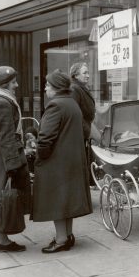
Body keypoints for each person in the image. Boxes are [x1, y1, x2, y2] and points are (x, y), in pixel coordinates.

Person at [32, 70, 93, 253]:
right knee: (67, 200)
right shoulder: (72, 103)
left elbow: (45, 138)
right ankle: (68, 235)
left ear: (57, 88)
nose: (44, 89)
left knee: (57, 200)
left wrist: (41, 156)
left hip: (57, 162)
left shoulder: (55, 106)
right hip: (72, 159)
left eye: (47, 85)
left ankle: (60, 240)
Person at [0, 66, 31, 252]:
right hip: (4, 154)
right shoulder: (3, 103)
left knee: (0, 196)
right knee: (5, 197)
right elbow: (6, 136)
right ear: (5, 84)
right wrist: (12, 165)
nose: (16, 85)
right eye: (13, 82)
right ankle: (1, 240)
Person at [69, 61, 96, 141]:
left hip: (83, 132)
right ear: (76, 75)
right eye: (84, 73)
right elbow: (75, 114)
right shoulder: (74, 89)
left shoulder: (80, 87)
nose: (88, 76)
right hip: (80, 134)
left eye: (88, 73)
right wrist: (87, 131)